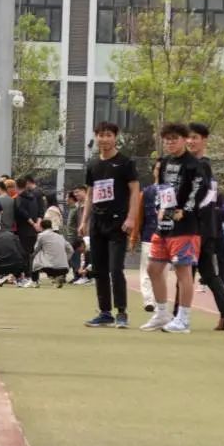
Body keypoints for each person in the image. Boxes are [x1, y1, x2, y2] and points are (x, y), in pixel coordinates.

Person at [142, 123, 204, 334]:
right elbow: (160, 188)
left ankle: (183, 319)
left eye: (174, 139)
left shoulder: (194, 164)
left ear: (184, 140)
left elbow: (199, 191)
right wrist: (159, 208)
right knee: (153, 268)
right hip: (164, 223)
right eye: (167, 139)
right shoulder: (164, 162)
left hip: (186, 226)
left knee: (182, 270)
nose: (170, 143)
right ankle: (162, 313)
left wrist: (184, 210)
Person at [80, 121, 141, 327]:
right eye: (100, 135)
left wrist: (131, 218)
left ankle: (122, 312)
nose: (104, 139)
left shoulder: (125, 163)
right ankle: (105, 312)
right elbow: (90, 194)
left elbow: (135, 191)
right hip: (97, 222)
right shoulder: (93, 164)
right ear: (95, 137)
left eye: (108, 135)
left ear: (115, 137)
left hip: (118, 223)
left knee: (115, 269)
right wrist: (84, 220)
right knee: (99, 269)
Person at [180, 123, 224, 331]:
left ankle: (178, 315)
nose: (190, 141)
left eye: (195, 137)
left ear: (204, 140)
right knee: (208, 273)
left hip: (197, 227)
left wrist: (187, 213)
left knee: (185, 271)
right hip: (207, 227)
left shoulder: (199, 165)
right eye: (188, 137)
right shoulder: (203, 165)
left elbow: (201, 198)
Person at [137, 175, 161, 313]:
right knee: (146, 270)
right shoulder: (146, 192)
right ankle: (148, 300)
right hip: (148, 236)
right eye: (157, 168)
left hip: (165, 237)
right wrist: (134, 236)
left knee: (161, 272)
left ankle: (159, 301)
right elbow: (140, 215)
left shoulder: (173, 190)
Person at [13, 176, 43, 283]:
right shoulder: (33, 197)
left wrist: (33, 224)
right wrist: (37, 224)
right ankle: (35, 277)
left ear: (16, 186)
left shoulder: (19, 198)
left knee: (24, 254)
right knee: (33, 253)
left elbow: (23, 213)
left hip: (23, 229)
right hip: (34, 230)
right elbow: (40, 211)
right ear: (26, 185)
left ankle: (27, 276)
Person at [31, 218, 73, 288]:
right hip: (64, 269)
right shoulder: (60, 236)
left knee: (35, 255)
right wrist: (66, 259)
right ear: (51, 226)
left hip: (49, 268)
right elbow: (71, 250)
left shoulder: (41, 235)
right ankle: (56, 278)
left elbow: (36, 249)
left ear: (41, 227)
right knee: (49, 257)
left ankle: (35, 281)